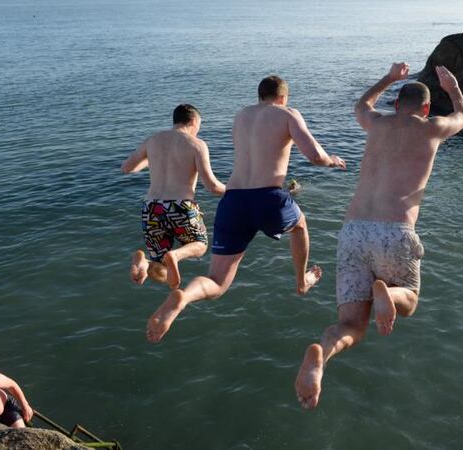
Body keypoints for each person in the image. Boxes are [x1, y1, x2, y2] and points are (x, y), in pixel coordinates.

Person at [294, 63, 463, 410]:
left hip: (353, 230)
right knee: (410, 302)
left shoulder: (376, 123)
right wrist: (451, 87)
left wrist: (389, 78)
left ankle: (322, 354)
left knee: (350, 326)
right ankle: (387, 291)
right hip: (395, 231)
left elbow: (360, 106)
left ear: (395, 105)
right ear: (425, 109)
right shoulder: (433, 127)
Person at [145, 76, 346, 343]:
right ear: (283, 98)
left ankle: (184, 297)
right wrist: (331, 160)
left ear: (259, 96)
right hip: (268, 197)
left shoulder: (241, 116)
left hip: (234, 199)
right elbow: (314, 155)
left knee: (216, 283)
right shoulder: (288, 113)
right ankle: (301, 282)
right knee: (300, 225)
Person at [122, 104, 226, 289]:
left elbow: (127, 168)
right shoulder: (196, 144)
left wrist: (154, 160)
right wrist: (235, 190)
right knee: (200, 245)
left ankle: (143, 262)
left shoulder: (152, 140)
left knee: (160, 268)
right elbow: (212, 186)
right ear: (194, 121)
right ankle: (175, 255)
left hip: (152, 208)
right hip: (180, 206)